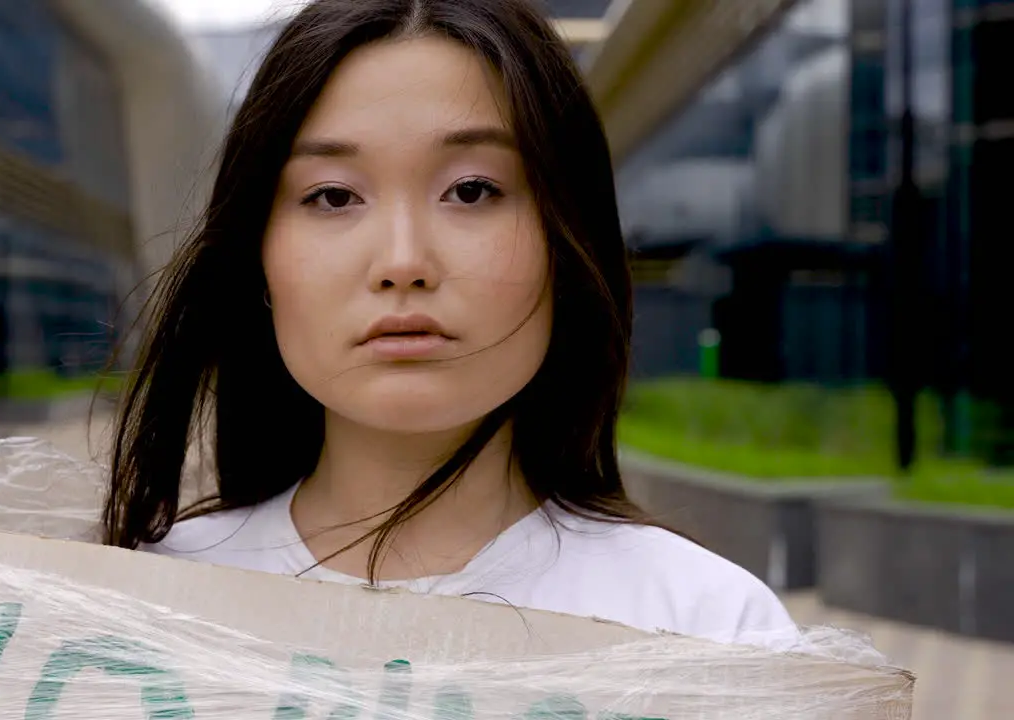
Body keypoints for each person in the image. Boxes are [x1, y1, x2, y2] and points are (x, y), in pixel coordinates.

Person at [104, 0, 797, 648]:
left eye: (472, 190)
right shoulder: (131, 611)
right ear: (258, 255)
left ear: (568, 242)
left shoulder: (712, 630)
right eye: (334, 195)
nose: (403, 262)